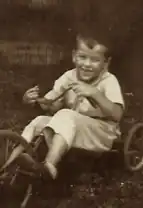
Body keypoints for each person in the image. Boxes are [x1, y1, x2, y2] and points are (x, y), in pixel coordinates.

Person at [2, 33, 125, 180]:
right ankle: (7, 166)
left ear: (106, 64)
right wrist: (33, 101)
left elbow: (117, 114)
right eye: (82, 57)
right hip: (72, 127)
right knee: (38, 121)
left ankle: (49, 166)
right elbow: (51, 105)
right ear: (74, 56)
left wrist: (95, 93)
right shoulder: (68, 77)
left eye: (95, 60)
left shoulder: (108, 81)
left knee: (66, 115)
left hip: (101, 133)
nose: (86, 64)